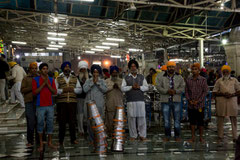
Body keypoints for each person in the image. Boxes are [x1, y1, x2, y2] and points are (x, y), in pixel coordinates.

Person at [156, 61, 185, 142]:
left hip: (176, 101)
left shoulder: (179, 77)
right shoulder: (160, 76)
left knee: (177, 120)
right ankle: (167, 135)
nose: (171, 68)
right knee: (166, 120)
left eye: (172, 67)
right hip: (165, 101)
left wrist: (175, 91)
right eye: (169, 67)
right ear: (167, 68)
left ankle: (177, 135)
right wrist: (166, 91)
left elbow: (183, 87)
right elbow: (158, 86)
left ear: (175, 68)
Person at [121, 60, 149, 141]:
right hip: (130, 101)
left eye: (134, 66)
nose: (133, 68)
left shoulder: (141, 77)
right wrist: (131, 87)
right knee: (131, 118)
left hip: (140, 100)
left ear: (137, 67)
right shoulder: (126, 78)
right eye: (131, 66)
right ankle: (133, 135)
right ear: (129, 68)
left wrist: (139, 87)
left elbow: (146, 87)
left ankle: (142, 135)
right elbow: (122, 88)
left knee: (142, 118)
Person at [32, 63, 57, 152]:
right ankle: (41, 143)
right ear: (40, 70)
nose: (45, 70)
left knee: (50, 123)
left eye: (46, 68)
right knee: (40, 123)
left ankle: (49, 142)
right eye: (43, 69)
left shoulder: (51, 79)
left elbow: (54, 92)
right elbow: (35, 92)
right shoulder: (35, 79)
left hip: (50, 105)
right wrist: (43, 84)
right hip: (40, 105)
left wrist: (48, 84)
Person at [55, 62, 82, 145]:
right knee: (62, 122)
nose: (67, 68)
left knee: (72, 122)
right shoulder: (58, 78)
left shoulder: (75, 78)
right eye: (66, 67)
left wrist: (73, 90)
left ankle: (73, 139)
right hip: (61, 103)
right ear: (63, 68)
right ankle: (60, 140)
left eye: (68, 67)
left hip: (72, 103)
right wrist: (63, 90)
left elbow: (80, 90)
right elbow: (54, 90)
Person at [213, 65, 240, 143]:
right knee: (220, 120)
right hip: (221, 102)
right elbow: (214, 92)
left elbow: (239, 91)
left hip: (232, 102)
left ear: (229, 72)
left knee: (233, 119)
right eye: (224, 71)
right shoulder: (219, 81)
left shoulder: (234, 80)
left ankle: (235, 137)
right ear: (222, 72)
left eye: (227, 71)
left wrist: (232, 94)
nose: (225, 72)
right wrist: (223, 94)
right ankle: (220, 136)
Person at [83, 64, 107, 143]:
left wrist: (98, 84)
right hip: (90, 105)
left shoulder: (102, 81)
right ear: (92, 73)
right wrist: (92, 83)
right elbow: (85, 90)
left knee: (99, 121)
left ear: (99, 73)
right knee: (90, 122)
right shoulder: (88, 81)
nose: (95, 74)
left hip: (99, 105)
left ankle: (100, 138)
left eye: (97, 72)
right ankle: (91, 138)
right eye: (94, 72)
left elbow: (105, 90)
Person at [185, 63, 209, 143]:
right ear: (191, 71)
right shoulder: (188, 80)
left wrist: (198, 101)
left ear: (199, 70)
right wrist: (190, 100)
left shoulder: (203, 80)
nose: (194, 71)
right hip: (191, 105)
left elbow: (205, 91)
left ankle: (201, 137)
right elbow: (186, 91)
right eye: (193, 69)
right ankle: (193, 137)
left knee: (200, 122)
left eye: (196, 69)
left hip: (200, 105)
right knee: (192, 121)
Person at [21, 62, 38, 147]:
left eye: (35, 68)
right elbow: (22, 90)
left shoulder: (39, 77)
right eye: (32, 68)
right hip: (29, 102)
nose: (34, 70)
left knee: (39, 121)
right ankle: (30, 141)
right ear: (30, 69)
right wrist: (32, 87)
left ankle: (40, 140)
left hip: (38, 102)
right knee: (30, 121)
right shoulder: (26, 78)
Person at [105, 66, 123, 136]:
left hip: (119, 104)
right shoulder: (106, 81)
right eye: (113, 72)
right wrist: (112, 87)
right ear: (111, 73)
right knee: (110, 120)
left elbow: (124, 90)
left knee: (119, 120)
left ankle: (118, 134)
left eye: (116, 72)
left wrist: (118, 86)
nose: (114, 74)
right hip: (110, 104)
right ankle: (110, 133)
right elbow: (104, 90)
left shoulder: (121, 81)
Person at [77, 61, 89, 136]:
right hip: (79, 98)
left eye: (85, 69)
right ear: (80, 70)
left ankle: (88, 129)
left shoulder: (90, 77)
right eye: (82, 70)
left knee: (87, 115)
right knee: (80, 115)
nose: (83, 71)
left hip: (88, 98)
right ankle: (80, 130)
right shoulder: (77, 78)